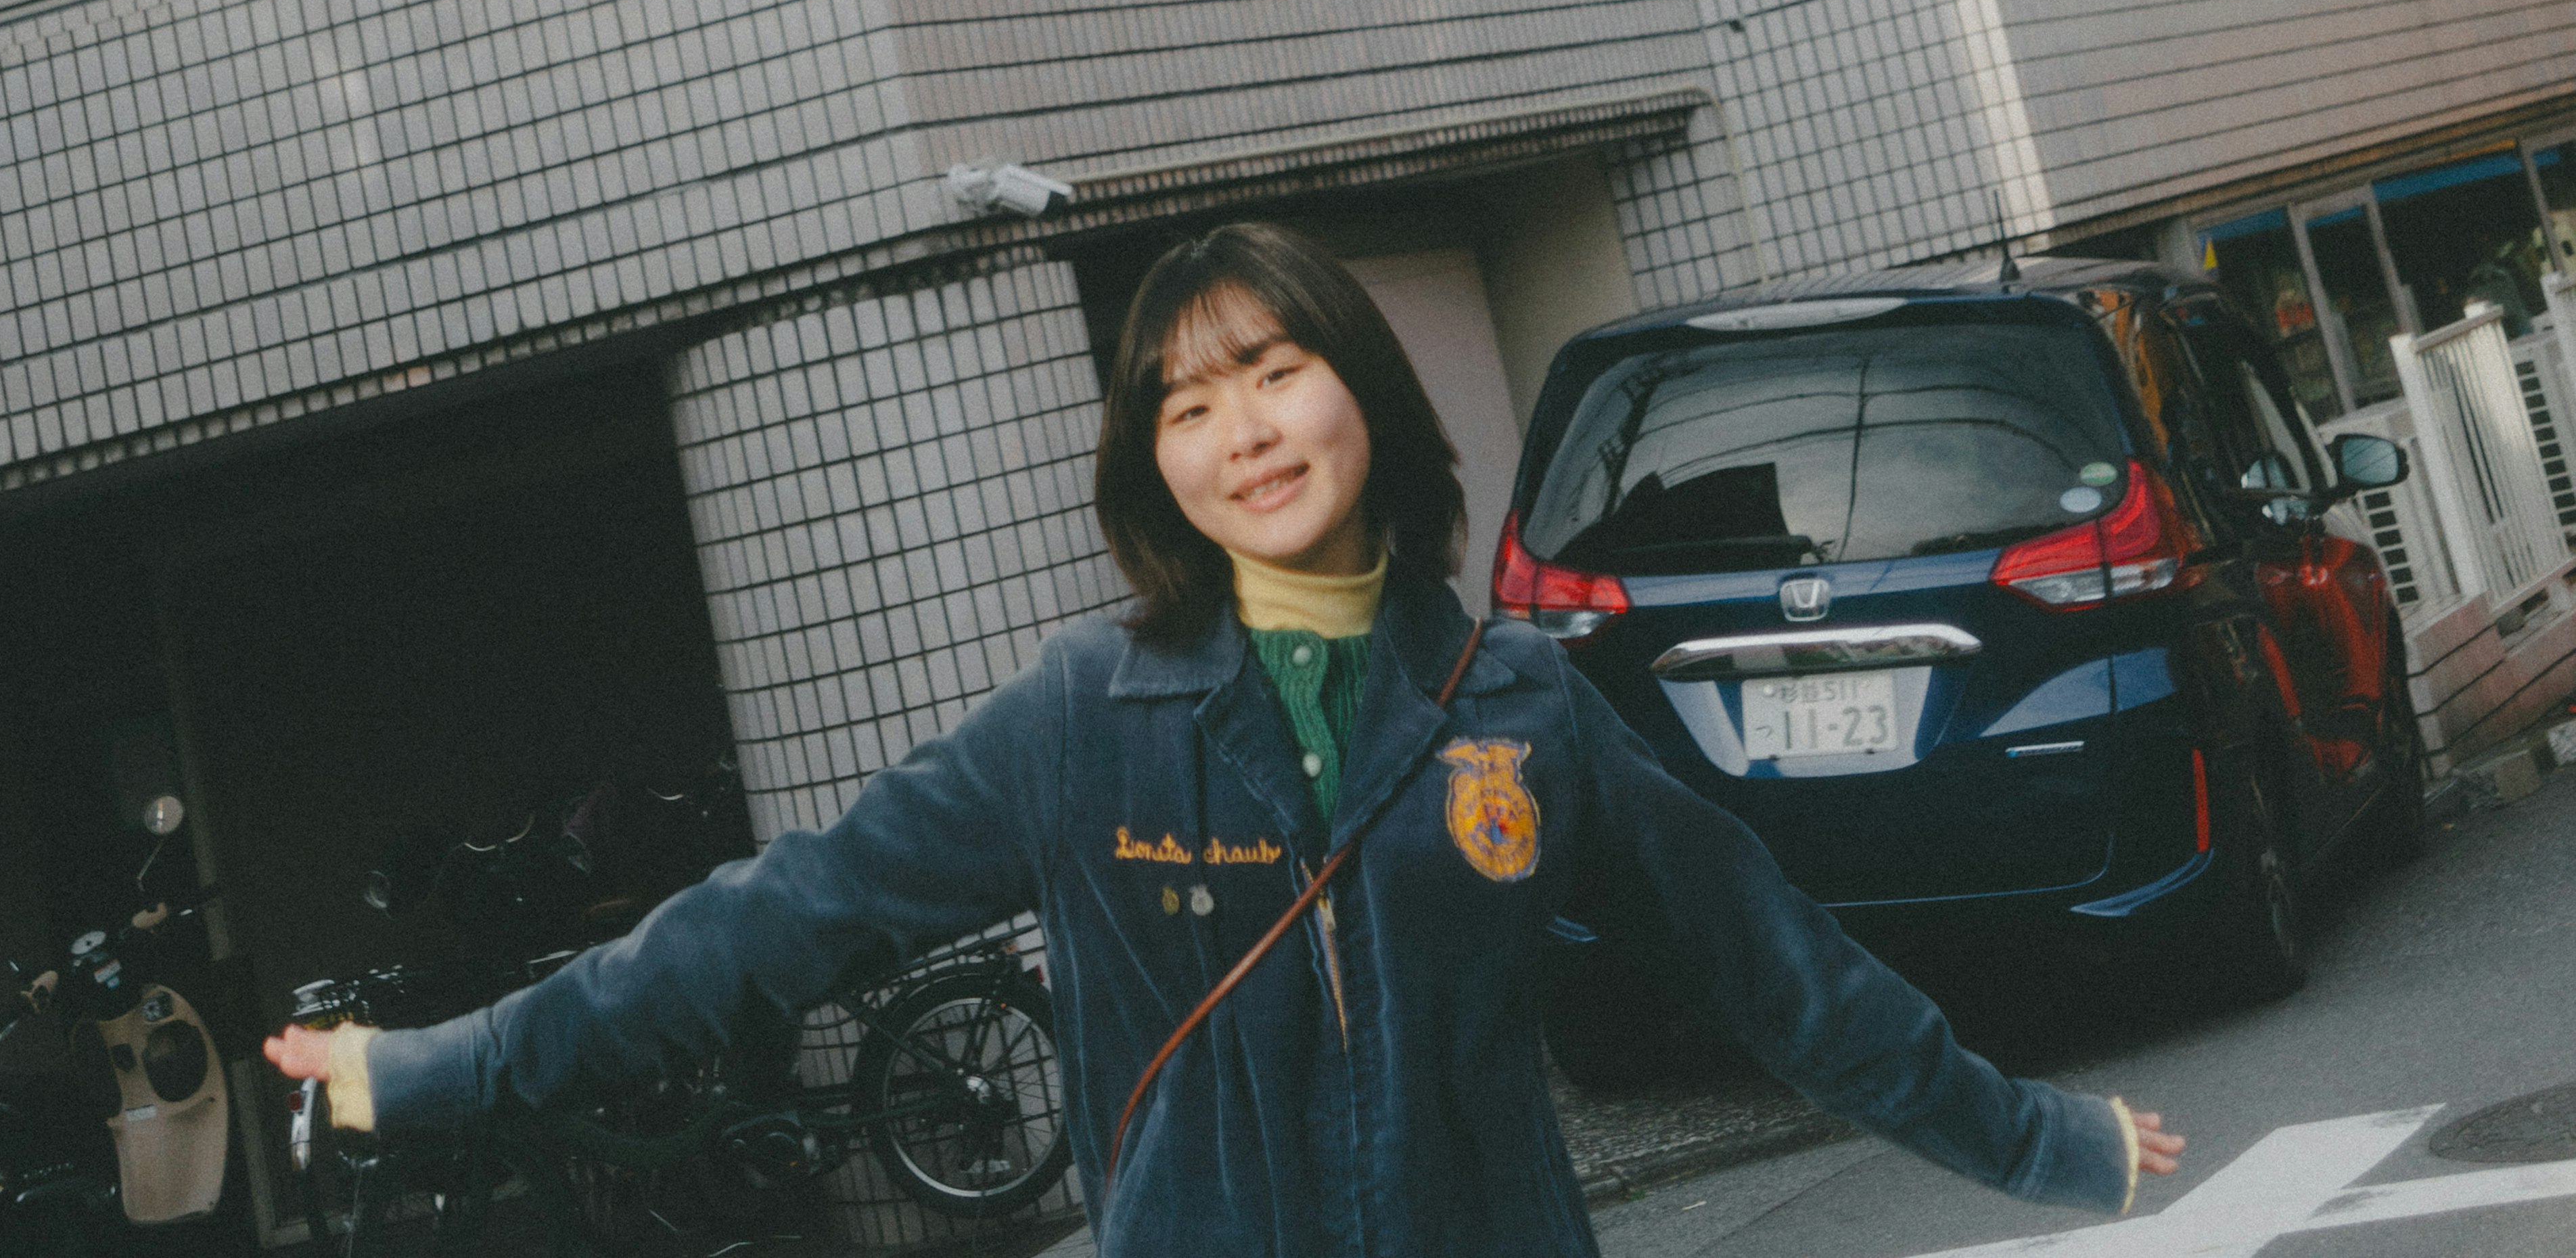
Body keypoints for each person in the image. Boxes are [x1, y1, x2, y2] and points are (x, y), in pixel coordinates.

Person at [267, 221, 2183, 1253]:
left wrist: (2050, 1146)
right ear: (1153, 468)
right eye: (1188, 407)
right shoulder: (1078, 723)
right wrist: (420, 1073)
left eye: (1275, 371)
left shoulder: (1511, 698)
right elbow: (769, 925)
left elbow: (1789, 976)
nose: (1244, 430)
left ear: (1365, 392)